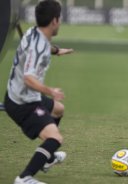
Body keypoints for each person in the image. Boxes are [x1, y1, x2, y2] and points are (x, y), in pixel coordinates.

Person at [4, 1, 68, 183]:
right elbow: (28, 78)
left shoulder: (33, 32)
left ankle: (47, 158)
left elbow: (41, 48)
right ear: (54, 21)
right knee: (55, 138)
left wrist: (57, 51)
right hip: (22, 103)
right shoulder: (39, 47)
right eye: (59, 18)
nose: (60, 22)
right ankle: (24, 178)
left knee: (58, 109)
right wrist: (50, 91)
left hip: (18, 94)